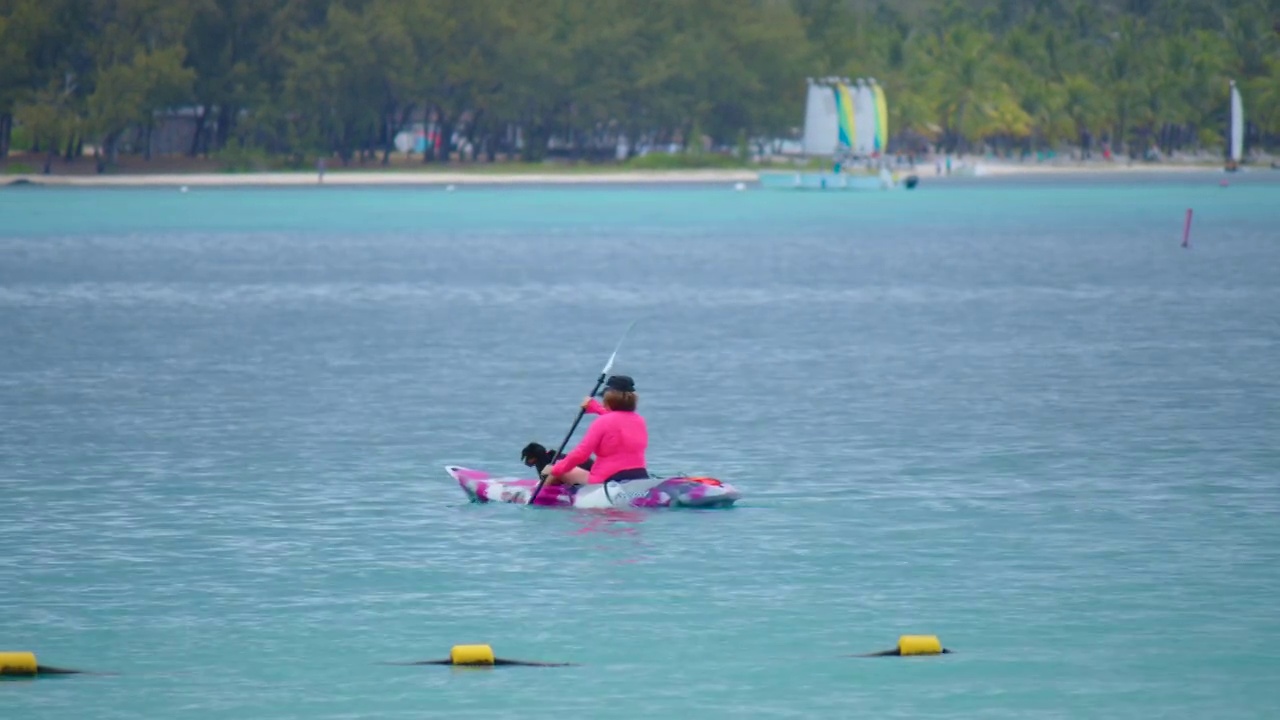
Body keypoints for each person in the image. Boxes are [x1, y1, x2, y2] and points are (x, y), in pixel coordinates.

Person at [542, 374, 648, 486]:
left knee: (559, 470)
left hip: (608, 479)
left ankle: (541, 496)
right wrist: (596, 408)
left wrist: (554, 470)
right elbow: (618, 421)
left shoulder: (602, 422)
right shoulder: (639, 420)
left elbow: (581, 454)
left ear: (608, 398)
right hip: (639, 475)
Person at [520, 442, 592, 485]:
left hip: (586, 473)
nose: (526, 461)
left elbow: (546, 482)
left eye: (528, 458)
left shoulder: (546, 463)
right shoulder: (551, 457)